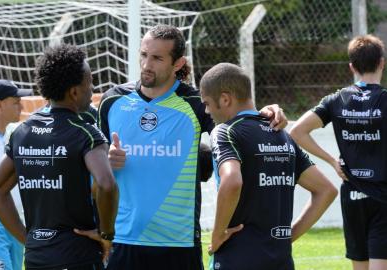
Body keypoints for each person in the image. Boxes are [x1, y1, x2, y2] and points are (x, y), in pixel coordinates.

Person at [98, 24, 288, 270]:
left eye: (157, 58)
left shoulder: (196, 103)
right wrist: (107, 160)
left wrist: (267, 111)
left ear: (178, 63)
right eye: (144, 55)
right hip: (123, 239)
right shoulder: (112, 101)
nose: (146, 65)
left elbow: (239, 126)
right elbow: (93, 164)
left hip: (179, 242)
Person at [0, 44, 118, 270]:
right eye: (90, 82)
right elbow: (106, 184)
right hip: (79, 256)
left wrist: (28, 240)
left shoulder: (22, 132)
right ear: (74, 92)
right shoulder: (85, 132)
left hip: (38, 258)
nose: (92, 88)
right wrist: (106, 234)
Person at [200, 63, 337, 270]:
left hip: (236, 258)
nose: (206, 110)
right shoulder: (282, 135)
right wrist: (288, 236)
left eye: (208, 103)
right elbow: (326, 190)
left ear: (225, 99)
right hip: (280, 261)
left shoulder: (224, 132)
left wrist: (218, 234)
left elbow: (232, 181)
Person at [290, 34, 387, 270]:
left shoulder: (336, 99)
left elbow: (297, 131)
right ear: (382, 62)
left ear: (352, 67)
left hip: (352, 195)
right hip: (382, 196)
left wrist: (333, 161)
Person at [0, 79, 32, 270]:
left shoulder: (17, 135)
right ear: (0, 104)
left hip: (16, 222)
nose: (21, 106)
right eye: (16, 101)